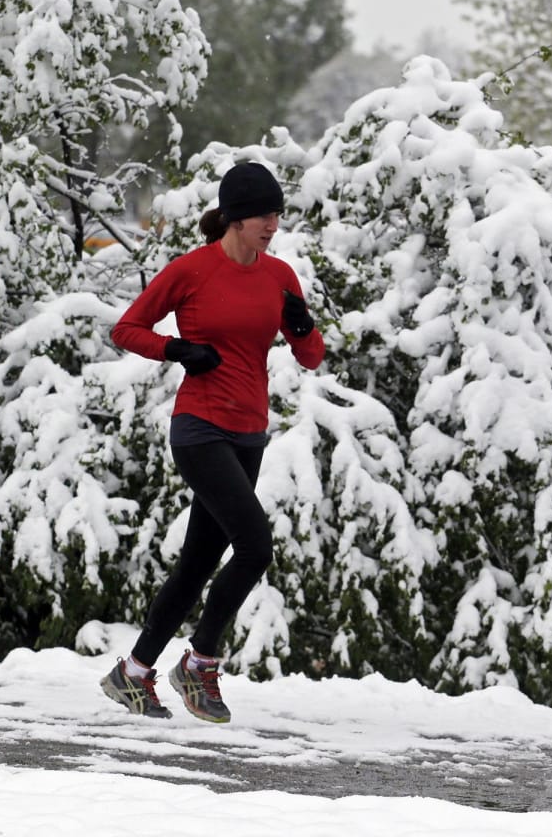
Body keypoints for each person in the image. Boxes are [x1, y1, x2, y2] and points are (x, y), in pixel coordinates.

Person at [100, 162, 325, 723]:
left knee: (200, 561)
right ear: (233, 217)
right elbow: (126, 329)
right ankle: (199, 663)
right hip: (200, 428)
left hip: (250, 432)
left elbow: (312, 356)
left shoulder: (280, 276)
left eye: (277, 214)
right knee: (254, 546)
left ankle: (131, 674)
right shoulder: (192, 270)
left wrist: (301, 327)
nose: (273, 224)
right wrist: (178, 350)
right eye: (262, 215)